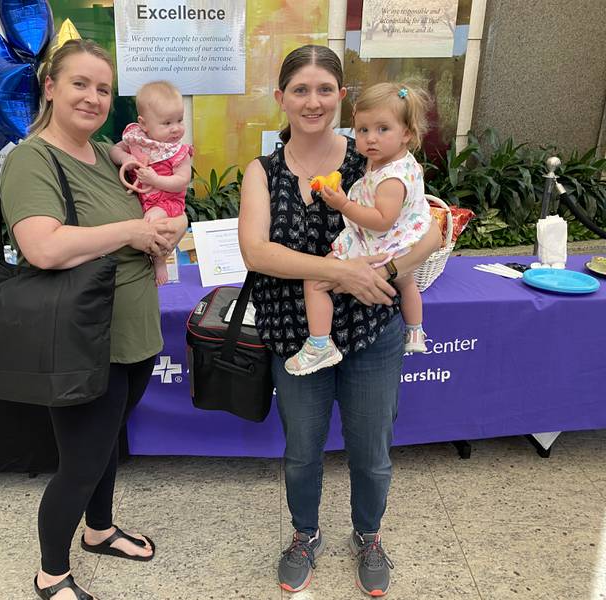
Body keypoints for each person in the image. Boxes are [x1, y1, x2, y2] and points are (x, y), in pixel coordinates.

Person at [238, 45, 441, 597]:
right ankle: (305, 533)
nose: (313, 101)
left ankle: (369, 536)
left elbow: (430, 229)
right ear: (281, 99)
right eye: (300, 90)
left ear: (342, 98)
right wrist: (342, 271)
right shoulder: (262, 172)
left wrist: (387, 269)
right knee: (302, 450)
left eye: (325, 89)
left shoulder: (372, 156)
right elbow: (256, 252)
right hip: (294, 336)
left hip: (372, 332)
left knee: (372, 449)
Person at [0, 39, 188, 600]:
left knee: (108, 445)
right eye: (79, 83)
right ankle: (51, 573)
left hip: (132, 333)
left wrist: (165, 227)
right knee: (81, 462)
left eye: (103, 88)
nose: (93, 97)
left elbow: (164, 202)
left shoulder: (105, 153)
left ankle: (100, 531)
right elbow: (44, 247)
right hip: (82, 340)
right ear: (50, 87)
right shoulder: (33, 158)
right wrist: (133, 232)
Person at [285, 82, 433, 376]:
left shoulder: (390, 177)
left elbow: (381, 220)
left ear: (407, 133)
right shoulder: (395, 162)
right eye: (363, 130)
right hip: (401, 242)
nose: (370, 139)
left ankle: (319, 343)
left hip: (378, 243)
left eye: (382, 129)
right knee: (406, 283)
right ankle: (415, 331)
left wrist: (342, 204)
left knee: (315, 280)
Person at [109, 80, 193, 285]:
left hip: (166, 202)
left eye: (180, 120)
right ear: (144, 123)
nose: (176, 129)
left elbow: (183, 181)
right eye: (167, 123)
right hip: (142, 196)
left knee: (150, 222)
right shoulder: (138, 140)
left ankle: (159, 260)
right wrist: (126, 159)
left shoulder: (177, 152)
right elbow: (114, 150)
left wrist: (155, 179)